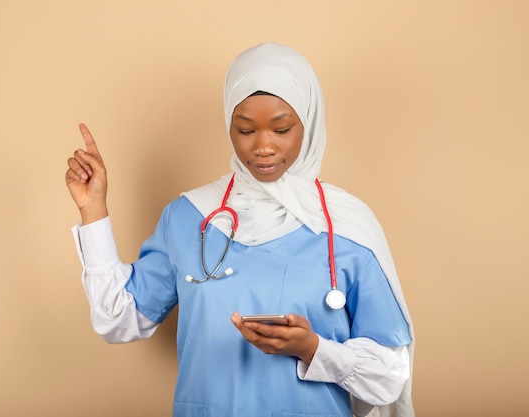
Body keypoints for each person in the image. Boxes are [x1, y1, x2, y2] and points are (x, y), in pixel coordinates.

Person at [65, 42, 415, 417]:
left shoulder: (347, 228)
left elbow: (389, 376)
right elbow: (117, 319)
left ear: (309, 123)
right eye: (245, 129)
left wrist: (313, 348)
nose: (263, 147)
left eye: (282, 129)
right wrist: (93, 208)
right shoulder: (189, 216)